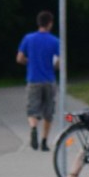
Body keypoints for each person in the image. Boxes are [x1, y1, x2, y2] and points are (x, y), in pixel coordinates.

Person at [16, 11, 60, 152]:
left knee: (32, 110)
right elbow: (59, 62)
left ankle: (34, 128)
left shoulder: (28, 38)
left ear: (38, 22)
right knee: (48, 112)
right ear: (49, 23)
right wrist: (54, 66)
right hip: (49, 80)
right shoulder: (55, 41)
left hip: (33, 79)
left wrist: (28, 61)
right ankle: (44, 141)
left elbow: (19, 58)